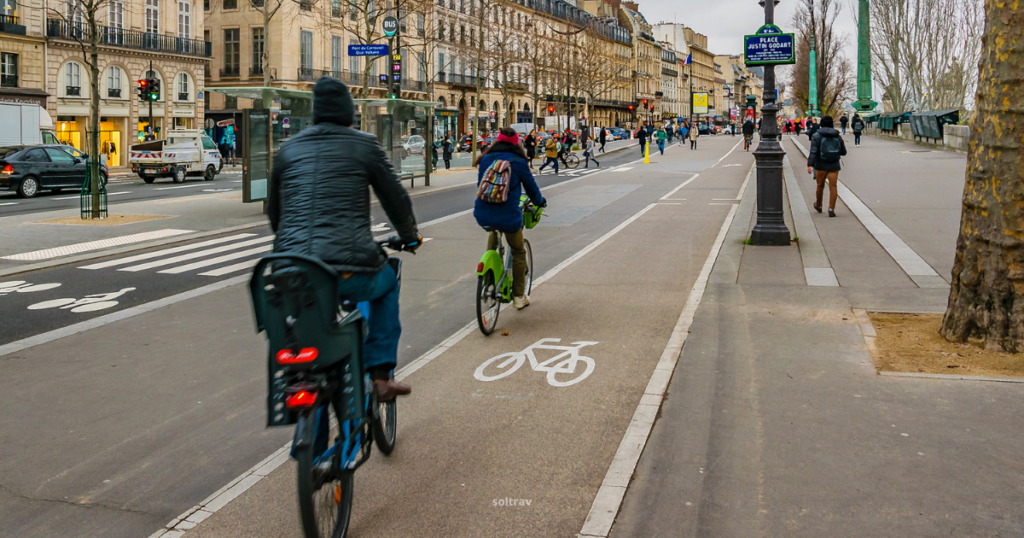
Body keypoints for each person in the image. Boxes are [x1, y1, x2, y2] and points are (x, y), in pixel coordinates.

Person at [268, 77, 421, 401]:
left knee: (303, 321)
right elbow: (396, 200)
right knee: (388, 281)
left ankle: (307, 436)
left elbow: (276, 215)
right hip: (347, 271)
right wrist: (409, 237)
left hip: (290, 273)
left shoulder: (288, 148)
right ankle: (380, 374)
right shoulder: (364, 144)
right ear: (349, 113)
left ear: (315, 113)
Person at [474, 127, 546, 310]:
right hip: (509, 216)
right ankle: (518, 296)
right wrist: (540, 202)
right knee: (518, 251)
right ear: (516, 144)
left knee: (493, 230)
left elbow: (480, 186)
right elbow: (531, 189)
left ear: (496, 142)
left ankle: (489, 276)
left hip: (483, 213)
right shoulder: (519, 162)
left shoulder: (485, 159)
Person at [806, 115, 848, 218]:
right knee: (833, 186)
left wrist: (810, 164)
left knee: (820, 186)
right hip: (834, 164)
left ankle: (819, 205)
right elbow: (843, 152)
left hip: (820, 164)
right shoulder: (837, 136)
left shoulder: (816, 136)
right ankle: (831, 208)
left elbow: (813, 152)